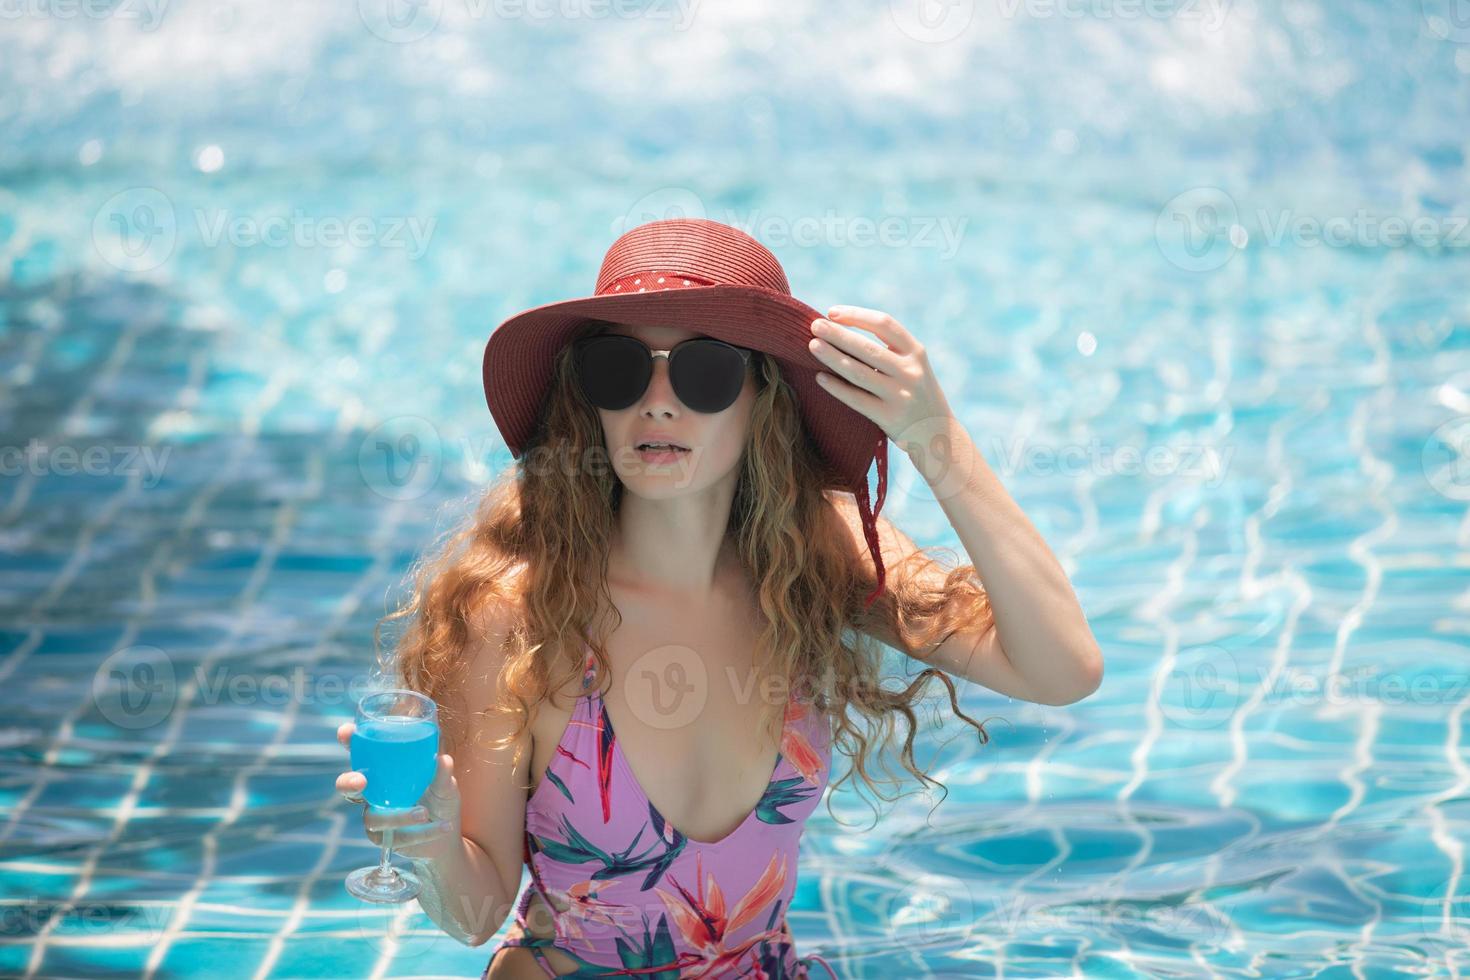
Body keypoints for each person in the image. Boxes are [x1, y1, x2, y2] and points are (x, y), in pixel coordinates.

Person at [334, 217, 1103, 978]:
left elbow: (1061, 669)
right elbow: (475, 918)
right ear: (587, 399)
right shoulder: (521, 616)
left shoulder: (812, 563)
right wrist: (432, 843)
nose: (658, 403)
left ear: (763, 399)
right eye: (620, 370)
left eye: (705, 372)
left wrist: (934, 435)